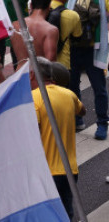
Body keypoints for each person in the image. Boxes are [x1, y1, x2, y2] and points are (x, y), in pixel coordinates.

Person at [32, 57, 84, 218]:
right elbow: (82, 111)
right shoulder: (69, 95)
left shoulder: (35, 98)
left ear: (33, 75)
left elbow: (32, 129)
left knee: (48, 215)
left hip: (48, 172)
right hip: (70, 169)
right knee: (66, 212)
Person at [67, 0, 109, 139]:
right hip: (74, 48)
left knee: (99, 88)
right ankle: (77, 119)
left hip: (93, 49)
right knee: (72, 86)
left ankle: (102, 123)